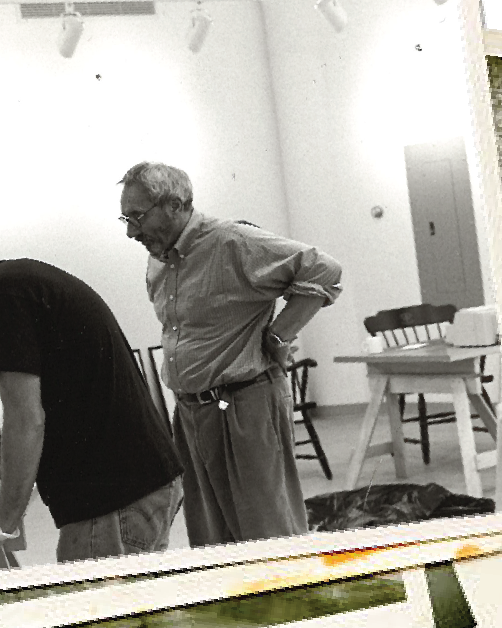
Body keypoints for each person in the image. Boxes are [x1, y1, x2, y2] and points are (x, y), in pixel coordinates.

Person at [0, 226, 184, 562]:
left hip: (113, 497)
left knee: (96, 609)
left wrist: (3, 520)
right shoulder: (22, 280)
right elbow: (60, 398)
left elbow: (26, 419)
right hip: (135, 485)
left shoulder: (0, 296)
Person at [118, 161, 344, 546]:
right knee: (210, 535)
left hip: (243, 404)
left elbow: (324, 270)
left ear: (174, 204)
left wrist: (280, 333)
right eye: (125, 218)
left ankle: (290, 604)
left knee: (267, 533)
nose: (130, 231)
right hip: (190, 413)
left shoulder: (232, 241)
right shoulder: (159, 258)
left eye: (138, 217)